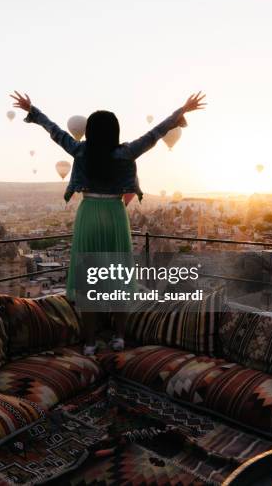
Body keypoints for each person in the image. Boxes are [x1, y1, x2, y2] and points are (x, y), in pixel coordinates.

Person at [11, 90, 206, 355]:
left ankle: (90, 343)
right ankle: (120, 338)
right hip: (115, 214)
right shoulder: (126, 152)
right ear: (115, 131)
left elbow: (55, 132)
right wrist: (181, 111)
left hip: (89, 212)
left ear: (89, 131)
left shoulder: (80, 151)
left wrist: (33, 110)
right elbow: (156, 133)